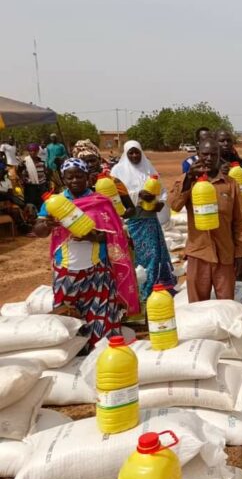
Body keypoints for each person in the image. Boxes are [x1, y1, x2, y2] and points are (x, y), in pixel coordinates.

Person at [33, 158, 140, 348]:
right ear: (63, 179)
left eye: (79, 176)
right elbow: (39, 232)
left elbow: (114, 235)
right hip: (67, 269)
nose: (74, 180)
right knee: (67, 319)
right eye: (69, 177)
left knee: (103, 319)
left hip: (98, 270)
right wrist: (45, 224)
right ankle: (74, 358)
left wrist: (91, 237)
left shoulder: (100, 202)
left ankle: (101, 356)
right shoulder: (54, 203)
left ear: (87, 178)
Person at [168, 138, 242, 302]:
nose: (208, 158)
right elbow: (174, 204)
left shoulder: (230, 184)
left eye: (213, 154)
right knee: (197, 305)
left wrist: (241, 253)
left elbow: (241, 220)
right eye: (205, 154)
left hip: (225, 255)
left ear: (219, 156)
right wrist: (188, 178)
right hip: (199, 253)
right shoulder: (190, 182)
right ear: (198, 154)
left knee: (226, 304)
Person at [112, 141, 176, 299]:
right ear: (125, 154)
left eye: (137, 152)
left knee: (154, 255)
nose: (134, 156)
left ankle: (155, 290)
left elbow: (161, 191)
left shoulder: (148, 168)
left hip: (150, 219)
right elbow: (115, 196)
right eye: (131, 153)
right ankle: (140, 292)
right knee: (135, 256)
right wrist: (138, 195)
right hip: (131, 222)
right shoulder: (117, 172)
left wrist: (159, 203)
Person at [71, 139, 136, 217]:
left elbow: (131, 209)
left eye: (92, 160)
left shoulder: (113, 181)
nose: (90, 164)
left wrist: (118, 218)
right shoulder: (75, 185)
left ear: (99, 160)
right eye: (85, 162)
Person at [0, 160, 35, 234]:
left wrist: (6, 200)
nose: (0, 172)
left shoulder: (7, 181)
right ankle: (22, 205)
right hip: (4, 202)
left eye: (1, 171)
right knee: (9, 197)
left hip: (7, 202)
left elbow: (10, 193)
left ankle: (23, 228)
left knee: (16, 210)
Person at [20, 143, 49, 210]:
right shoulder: (25, 162)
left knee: (42, 202)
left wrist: (47, 182)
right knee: (31, 202)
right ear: (28, 152)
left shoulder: (42, 162)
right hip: (30, 186)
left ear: (37, 151)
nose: (33, 152)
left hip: (42, 185)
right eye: (31, 151)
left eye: (35, 150)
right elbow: (22, 174)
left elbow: (45, 172)